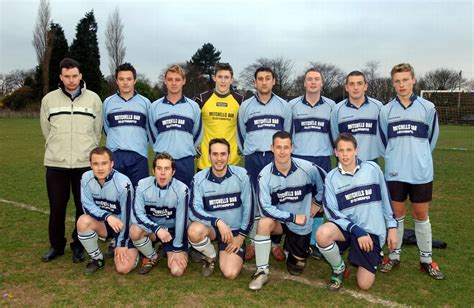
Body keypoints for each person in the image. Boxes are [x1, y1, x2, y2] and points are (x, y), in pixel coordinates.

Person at [378, 63, 444, 279]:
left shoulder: (428, 108)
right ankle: (394, 256)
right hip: (395, 172)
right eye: (397, 81)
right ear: (393, 84)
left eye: (405, 79)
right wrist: (396, 159)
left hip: (421, 172)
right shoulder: (386, 111)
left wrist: (420, 157)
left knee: (421, 215)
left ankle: (426, 260)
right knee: (396, 215)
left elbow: (431, 140)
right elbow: (382, 143)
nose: (401, 84)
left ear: (413, 80)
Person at [39, 58, 102, 263]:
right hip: (57, 163)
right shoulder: (49, 100)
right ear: (61, 77)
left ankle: (78, 245)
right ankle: (56, 246)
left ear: (81, 76)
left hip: (84, 164)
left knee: (82, 206)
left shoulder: (93, 99)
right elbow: (46, 130)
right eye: (67, 76)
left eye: (75, 76)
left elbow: (97, 131)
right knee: (57, 206)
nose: (71, 80)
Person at [316, 133, 397, 291]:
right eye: (341, 150)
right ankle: (338, 268)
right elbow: (331, 212)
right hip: (348, 228)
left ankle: (371, 255)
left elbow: (386, 200)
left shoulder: (373, 169)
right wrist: (356, 230)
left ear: (356, 151)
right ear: (335, 152)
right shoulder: (331, 178)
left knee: (364, 284)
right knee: (322, 234)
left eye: (349, 149)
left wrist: (392, 227)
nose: (345, 154)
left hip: (371, 231)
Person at [249, 131, 325, 290]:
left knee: (295, 268)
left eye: (286, 147)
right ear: (272, 148)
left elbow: (326, 184)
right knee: (263, 223)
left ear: (292, 148)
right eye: (278, 147)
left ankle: (293, 249)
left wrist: (318, 202)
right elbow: (265, 208)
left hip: (301, 223)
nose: (282, 151)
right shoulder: (265, 176)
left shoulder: (308, 168)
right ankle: (261, 271)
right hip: (281, 220)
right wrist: (291, 217)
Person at [237, 67, 292, 262]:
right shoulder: (246, 106)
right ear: (255, 82)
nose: (264, 82)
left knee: (277, 198)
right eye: (260, 79)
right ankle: (253, 241)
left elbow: (287, 134)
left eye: (268, 78)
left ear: (273, 81)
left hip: (275, 158)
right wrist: (251, 149)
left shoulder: (284, 106)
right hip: (253, 157)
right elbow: (241, 134)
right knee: (254, 199)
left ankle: (275, 242)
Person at [188, 138, 253, 279]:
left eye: (223, 154)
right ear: (209, 156)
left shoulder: (242, 175)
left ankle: (230, 248)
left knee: (230, 273)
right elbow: (193, 209)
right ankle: (210, 255)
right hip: (212, 228)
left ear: (229, 156)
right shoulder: (198, 178)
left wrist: (241, 237)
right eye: (215, 154)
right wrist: (217, 221)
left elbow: (250, 208)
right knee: (194, 231)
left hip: (234, 232)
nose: (219, 159)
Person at [289, 67, 335, 259]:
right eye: (310, 79)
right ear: (304, 83)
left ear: (322, 83)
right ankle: (294, 240)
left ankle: (314, 243)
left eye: (317, 79)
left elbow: (335, 133)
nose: (313, 82)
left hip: (322, 159)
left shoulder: (332, 106)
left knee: (319, 201)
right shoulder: (292, 105)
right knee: (296, 200)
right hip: (299, 159)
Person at [77, 147, 138, 274]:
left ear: (112, 164)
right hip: (105, 225)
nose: (100, 168)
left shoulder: (123, 183)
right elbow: (87, 207)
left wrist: (122, 243)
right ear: (90, 165)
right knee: (83, 221)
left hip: (124, 227)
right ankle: (97, 259)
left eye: (104, 163)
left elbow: (129, 216)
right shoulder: (86, 178)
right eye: (96, 164)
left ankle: (133, 249)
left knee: (123, 268)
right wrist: (107, 216)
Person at [130, 153, 189, 276]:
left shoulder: (182, 190)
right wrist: (157, 229)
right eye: (159, 168)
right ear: (153, 170)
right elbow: (137, 214)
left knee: (176, 271)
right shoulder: (142, 185)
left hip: (172, 232)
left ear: (173, 172)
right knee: (134, 231)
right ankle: (153, 256)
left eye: (167, 169)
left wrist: (178, 248)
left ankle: (175, 248)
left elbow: (182, 221)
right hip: (153, 230)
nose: (162, 173)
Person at [149, 64, 202, 188]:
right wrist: (162, 149)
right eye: (170, 79)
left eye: (177, 79)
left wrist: (186, 148)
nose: (174, 83)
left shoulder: (193, 106)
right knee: (162, 200)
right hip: (162, 162)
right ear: (165, 81)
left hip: (185, 161)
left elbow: (198, 133)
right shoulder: (155, 106)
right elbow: (152, 134)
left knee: (185, 197)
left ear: (183, 81)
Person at [102, 62, 151, 188]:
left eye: (129, 79)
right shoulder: (108, 102)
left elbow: (149, 130)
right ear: (116, 81)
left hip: (138, 157)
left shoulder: (145, 103)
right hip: (115, 156)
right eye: (121, 79)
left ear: (134, 80)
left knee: (138, 197)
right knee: (116, 197)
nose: (125, 82)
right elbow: (107, 127)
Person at [194, 63, 244, 171]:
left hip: (232, 164)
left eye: (226, 77)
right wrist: (194, 144)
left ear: (231, 80)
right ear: (214, 78)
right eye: (220, 77)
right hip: (205, 163)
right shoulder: (201, 99)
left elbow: (246, 126)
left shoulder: (240, 101)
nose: (223, 81)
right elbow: (191, 125)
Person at [330, 71, 384, 162]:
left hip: (371, 161)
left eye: (359, 83)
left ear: (365, 86)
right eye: (351, 84)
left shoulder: (378, 107)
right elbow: (335, 139)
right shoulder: (337, 110)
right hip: (346, 162)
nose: (356, 87)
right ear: (346, 87)